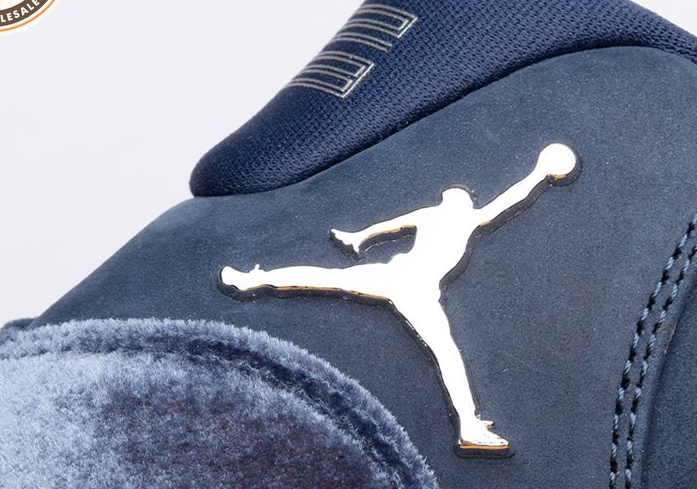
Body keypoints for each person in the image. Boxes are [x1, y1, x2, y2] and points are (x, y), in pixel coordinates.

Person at [221, 142, 577, 450]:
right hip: (407, 282)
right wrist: (539, 174)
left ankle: (255, 280)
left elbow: (507, 200)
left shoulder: (459, 217)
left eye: (462, 199)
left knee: (330, 280)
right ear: (450, 201)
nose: (459, 200)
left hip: (406, 282)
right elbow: (397, 224)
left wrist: (539, 175)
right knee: (442, 351)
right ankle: (468, 425)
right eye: (456, 198)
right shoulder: (452, 217)